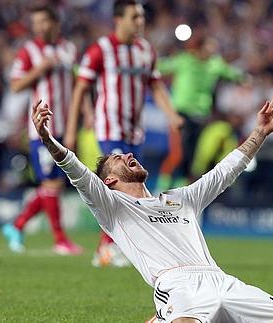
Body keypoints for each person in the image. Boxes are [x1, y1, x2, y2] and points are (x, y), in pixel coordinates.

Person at [32, 94, 273, 323]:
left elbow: (225, 171)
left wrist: (260, 132)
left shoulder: (181, 199)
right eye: (118, 158)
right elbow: (76, 171)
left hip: (220, 279)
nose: (129, 155)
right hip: (177, 285)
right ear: (109, 180)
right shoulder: (112, 206)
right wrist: (47, 139)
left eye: (126, 154)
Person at [63, 0, 183, 266]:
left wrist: (171, 114)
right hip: (109, 127)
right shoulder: (101, 50)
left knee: (131, 188)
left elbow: (156, 85)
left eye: (141, 17)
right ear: (118, 20)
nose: (140, 22)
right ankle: (106, 249)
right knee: (120, 187)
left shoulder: (145, 51)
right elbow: (81, 87)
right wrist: (72, 129)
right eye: (134, 17)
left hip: (134, 130)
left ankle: (111, 247)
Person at [2, 4, 82, 255]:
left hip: (65, 125)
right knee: (52, 184)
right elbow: (15, 85)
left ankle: (17, 225)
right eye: (35, 23)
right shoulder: (29, 51)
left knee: (52, 184)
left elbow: (79, 84)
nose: (38, 27)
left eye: (42, 22)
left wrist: (83, 117)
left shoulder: (69, 49)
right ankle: (60, 239)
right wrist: (40, 69)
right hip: (41, 129)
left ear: (55, 23)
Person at [155, 35, 244, 191]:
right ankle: (160, 188)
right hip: (180, 115)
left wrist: (244, 79)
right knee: (177, 154)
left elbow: (233, 74)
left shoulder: (214, 64)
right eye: (210, 47)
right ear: (200, 47)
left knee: (192, 157)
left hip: (201, 117)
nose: (213, 51)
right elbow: (160, 67)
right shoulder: (184, 60)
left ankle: (181, 190)